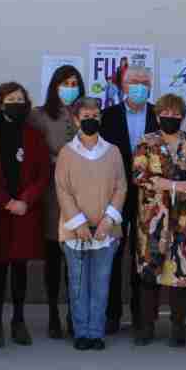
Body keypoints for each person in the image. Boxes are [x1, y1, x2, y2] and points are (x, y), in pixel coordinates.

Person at [0, 82, 51, 347]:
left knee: (20, 268)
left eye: (21, 99)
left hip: (25, 214)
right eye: (11, 99)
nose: (17, 103)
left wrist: (25, 201)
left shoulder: (34, 135)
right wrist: (6, 201)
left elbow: (43, 173)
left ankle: (18, 321)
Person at [54, 98, 128, 351]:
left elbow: (121, 187)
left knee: (101, 283)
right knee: (77, 284)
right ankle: (81, 332)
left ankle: (96, 332)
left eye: (95, 115)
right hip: (75, 232)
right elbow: (62, 191)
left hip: (106, 232)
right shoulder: (66, 152)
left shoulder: (113, 151)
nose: (91, 119)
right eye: (85, 115)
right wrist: (79, 224)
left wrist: (108, 220)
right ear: (76, 119)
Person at [131, 93, 186, 346]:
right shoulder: (146, 143)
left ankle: (179, 326)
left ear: (183, 116)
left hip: (183, 220)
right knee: (150, 273)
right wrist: (173, 185)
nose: (170, 118)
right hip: (152, 221)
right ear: (157, 116)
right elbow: (139, 175)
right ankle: (147, 326)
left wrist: (184, 187)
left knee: (180, 274)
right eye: (165, 114)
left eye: (175, 114)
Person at [99, 64, 158, 334]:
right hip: (115, 194)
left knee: (143, 253)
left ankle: (140, 315)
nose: (139, 86)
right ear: (122, 85)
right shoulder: (107, 116)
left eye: (145, 81)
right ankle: (111, 314)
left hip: (149, 196)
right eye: (134, 81)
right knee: (113, 253)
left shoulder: (159, 115)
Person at [29, 64, 84, 339]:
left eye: (75, 83)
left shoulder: (86, 113)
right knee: (53, 258)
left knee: (78, 259)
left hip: (82, 195)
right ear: (54, 85)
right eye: (65, 83)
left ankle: (76, 314)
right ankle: (53, 313)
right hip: (51, 195)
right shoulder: (39, 116)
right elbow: (31, 152)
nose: (70, 88)